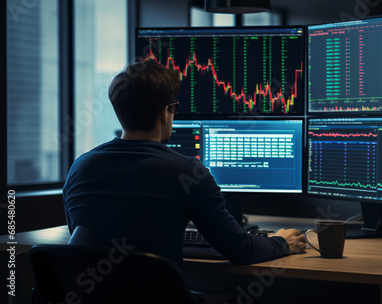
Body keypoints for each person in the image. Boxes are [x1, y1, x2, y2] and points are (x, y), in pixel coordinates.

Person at [63, 59, 306, 267]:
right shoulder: (188, 173)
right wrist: (281, 241)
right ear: (164, 113)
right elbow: (241, 250)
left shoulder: (80, 168)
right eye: (174, 109)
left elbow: (84, 238)